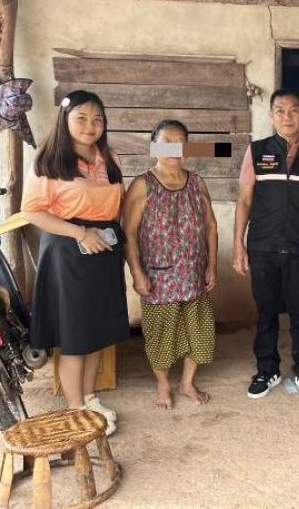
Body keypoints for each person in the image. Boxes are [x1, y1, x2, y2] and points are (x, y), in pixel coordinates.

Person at [21, 90, 129, 435]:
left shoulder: (110, 158)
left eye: (97, 119)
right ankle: (75, 409)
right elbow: (32, 211)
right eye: (81, 118)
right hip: (69, 251)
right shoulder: (49, 161)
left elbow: (118, 205)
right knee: (75, 334)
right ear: (65, 119)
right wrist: (81, 233)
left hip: (105, 249)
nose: (90, 126)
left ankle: (90, 398)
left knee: (97, 331)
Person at [233, 89, 299, 401]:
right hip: (263, 245)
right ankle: (267, 368)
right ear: (271, 115)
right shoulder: (257, 151)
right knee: (266, 311)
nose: (287, 117)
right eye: (280, 111)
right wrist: (238, 245)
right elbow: (245, 201)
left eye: (293, 110)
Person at [122, 119, 218, 410]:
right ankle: (163, 385)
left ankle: (187, 383)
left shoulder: (197, 182)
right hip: (158, 278)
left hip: (194, 275)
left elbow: (211, 226)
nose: (175, 149)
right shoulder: (142, 184)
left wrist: (212, 266)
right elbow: (129, 232)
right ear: (154, 147)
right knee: (160, 336)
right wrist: (136, 272)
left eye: (180, 143)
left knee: (199, 333)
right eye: (167, 143)